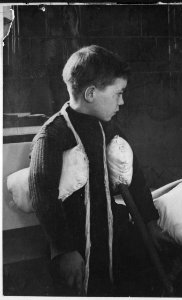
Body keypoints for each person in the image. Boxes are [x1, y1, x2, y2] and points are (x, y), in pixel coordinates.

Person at [29, 45, 161, 296]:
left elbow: (136, 178)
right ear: (91, 93)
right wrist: (64, 250)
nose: (122, 101)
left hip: (109, 234)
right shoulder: (52, 135)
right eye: (118, 94)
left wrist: (150, 220)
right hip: (72, 244)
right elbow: (42, 196)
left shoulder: (109, 128)